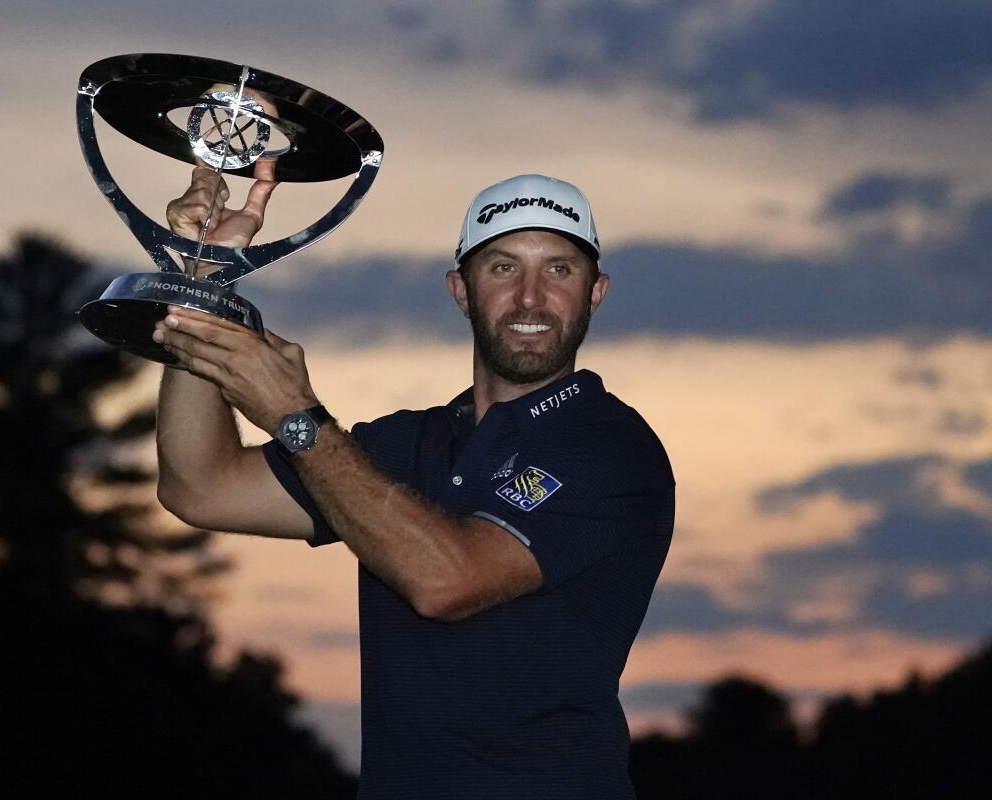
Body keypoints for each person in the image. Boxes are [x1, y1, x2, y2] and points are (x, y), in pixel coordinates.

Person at [154, 167, 675, 800]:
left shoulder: (610, 446)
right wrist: (206, 283)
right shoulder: (397, 446)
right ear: (461, 290)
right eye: (503, 268)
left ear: (595, 293)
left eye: (560, 270)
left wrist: (296, 416)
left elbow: (446, 582)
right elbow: (200, 486)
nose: (532, 297)